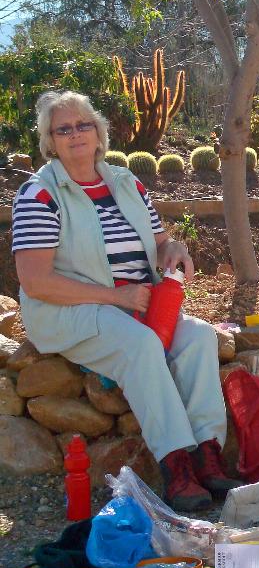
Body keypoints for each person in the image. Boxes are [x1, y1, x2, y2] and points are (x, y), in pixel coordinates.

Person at [12, 90, 241, 511]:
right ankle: (176, 466)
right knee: (140, 346)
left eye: (83, 125)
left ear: (99, 133)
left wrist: (173, 251)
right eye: (63, 129)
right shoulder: (39, 195)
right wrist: (113, 296)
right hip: (71, 311)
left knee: (200, 338)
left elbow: (159, 242)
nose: (75, 134)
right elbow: (36, 281)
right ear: (50, 141)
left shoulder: (126, 182)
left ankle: (206, 453)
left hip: (135, 305)